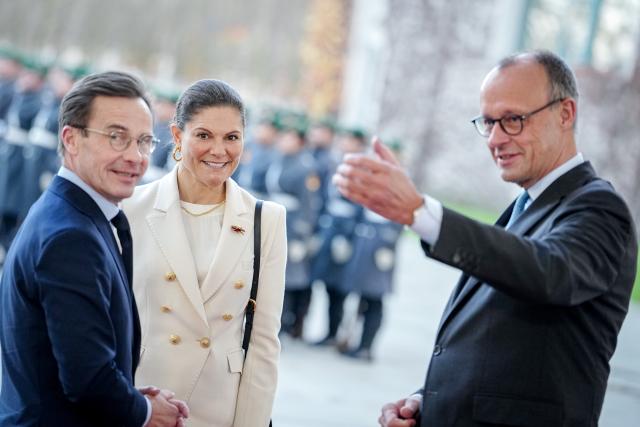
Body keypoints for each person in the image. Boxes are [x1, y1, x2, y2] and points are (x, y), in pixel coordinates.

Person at [334, 50, 638, 426]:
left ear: (565, 113)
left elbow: (547, 272)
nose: (495, 138)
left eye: (513, 120)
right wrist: (424, 402)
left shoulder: (599, 208)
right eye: (488, 122)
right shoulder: (524, 207)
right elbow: (500, 349)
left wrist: (421, 213)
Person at [0, 71, 188, 426]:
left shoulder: (75, 213)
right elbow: (87, 378)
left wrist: (130, 396)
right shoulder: (70, 236)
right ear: (71, 139)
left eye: (145, 141)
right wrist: (145, 413)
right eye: (117, 137)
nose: (135, 156)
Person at [122, 79, 287, 427]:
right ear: (178, 136)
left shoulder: (265, 220)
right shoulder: (131, 208)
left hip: (218, 411)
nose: (219, 150)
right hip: (144, 401)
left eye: (232, 137)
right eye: (204, 135)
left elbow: (263, 342)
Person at [265, 125, 320, 339]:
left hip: (292, 225)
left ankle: (285, 324)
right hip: (276, 218)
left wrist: (302, 233)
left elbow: (309, 203)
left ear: (299, 142)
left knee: (287, 278)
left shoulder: (305, 167)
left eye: (289, 137)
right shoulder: (280, 159)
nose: (284, 140)